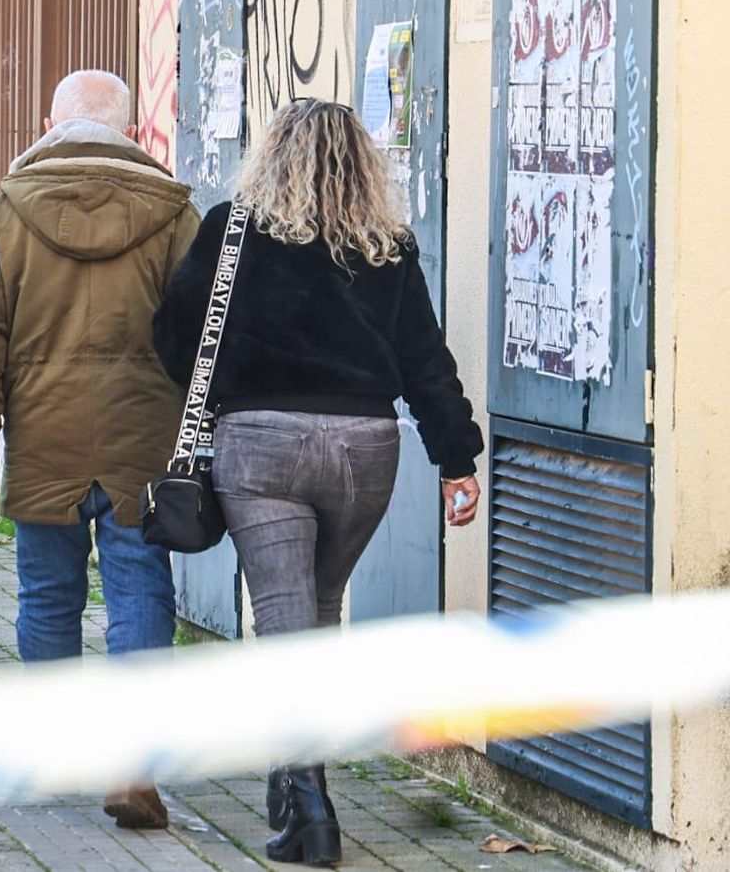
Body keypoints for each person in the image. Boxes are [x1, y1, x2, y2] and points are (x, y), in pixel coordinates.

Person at [151, 98, 484, 868]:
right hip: (366, 447)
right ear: (362, 162)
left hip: (261, 445)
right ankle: (290, 779)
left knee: (283, 620)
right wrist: (456, 458)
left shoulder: (233, 228)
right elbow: (425, 359)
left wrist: (230, 388)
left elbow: (173, 333)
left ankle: (310, 801)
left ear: (271, 156)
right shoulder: (387, 244)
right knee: (317, 609)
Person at [0, 69, 198, 830]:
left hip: (45, 436)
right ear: (130, 128)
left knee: (48, 597)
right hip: (141, 439)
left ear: (51, 123)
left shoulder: (8, 211)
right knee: (140, 593)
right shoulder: (173, 212)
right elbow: (200, 335)